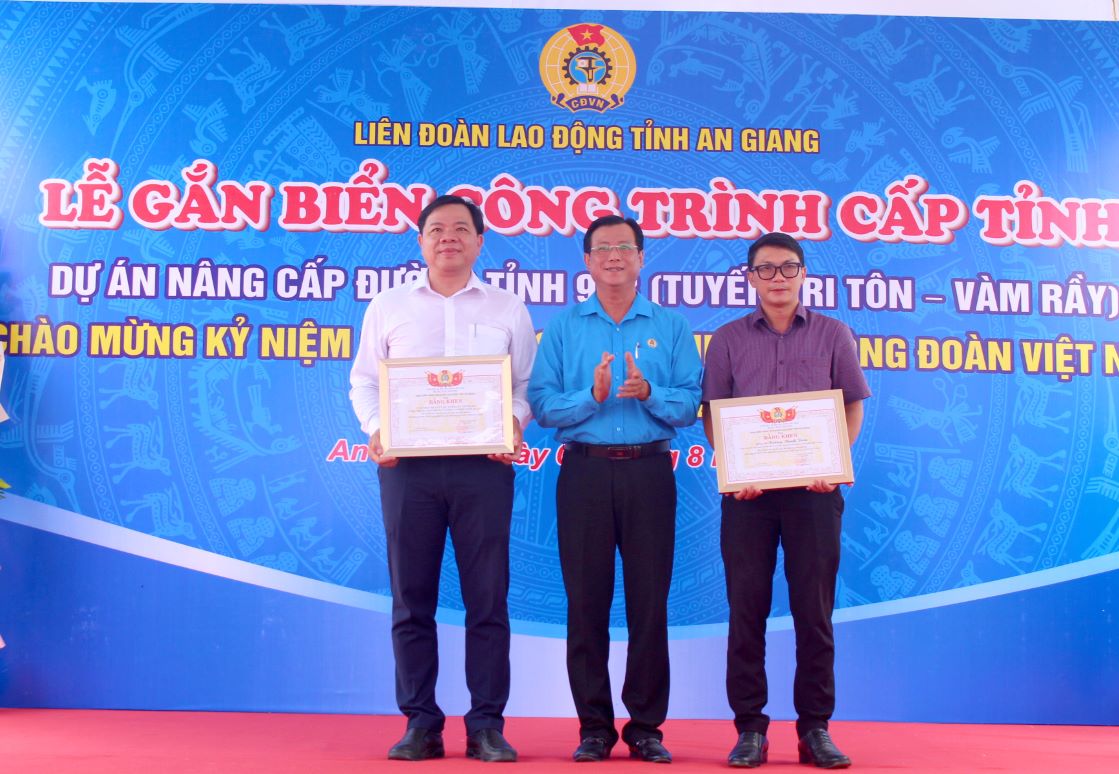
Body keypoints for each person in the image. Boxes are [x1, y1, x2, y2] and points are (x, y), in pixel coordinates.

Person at [349, 194, 537, 763]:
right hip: (408, 472)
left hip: (484, 469)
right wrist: (379, 427)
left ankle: (486, 725)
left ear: (481, 241)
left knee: (488, 599)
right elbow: (363, 383)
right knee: (412, 599)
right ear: (421, 241)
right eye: (436, 229)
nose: (448, 237)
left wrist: (512, 420)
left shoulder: (508, 307)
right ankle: (421, 723)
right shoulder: (387, 305)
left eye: (461, 229)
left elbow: (524, 387)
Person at [528, 214, 702, 764]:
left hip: (650, 472)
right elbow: (541, 405)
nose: (613, 257)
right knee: (587, 603)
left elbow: (691, 403)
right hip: (584, 472)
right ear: (586, 261)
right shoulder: (562, 328)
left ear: (641, 257)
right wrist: (592, 395)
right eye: (602, 248)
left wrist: (648, 391)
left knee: (650, 602)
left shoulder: (671, 327)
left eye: (624, 247)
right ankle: (595, 727)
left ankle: (647, 726)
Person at [701, 232, 870, 769]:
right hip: (748, 497)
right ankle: (750, 728)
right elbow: (713, 413)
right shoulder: (727, 339)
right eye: (766, 269)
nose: (777, 278)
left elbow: (852, 406)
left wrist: (833, 462)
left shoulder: (833, 333)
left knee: (813, 613)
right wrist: (733, 465)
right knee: (745, 611)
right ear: (749, 277)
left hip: (815, 496)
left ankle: (815, 728)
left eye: (788, 268)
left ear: (803, 274)